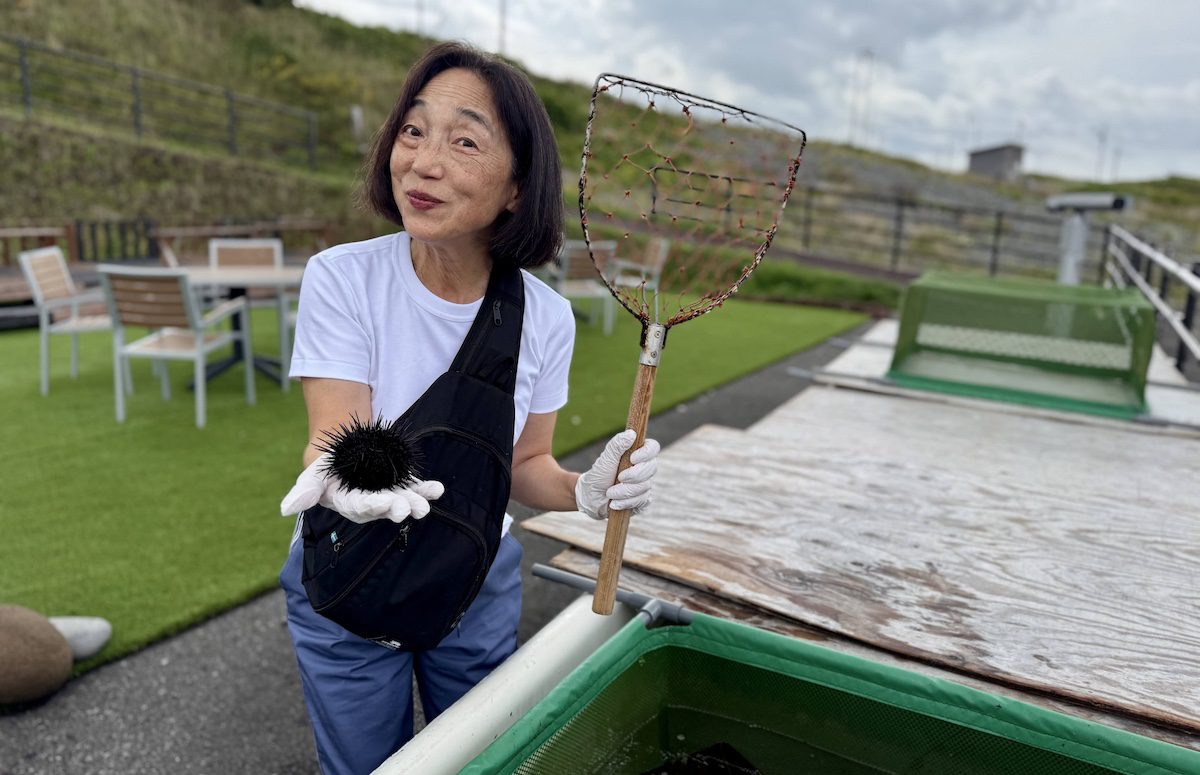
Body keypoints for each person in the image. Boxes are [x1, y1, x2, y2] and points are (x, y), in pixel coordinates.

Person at [277, 42, 660, 774]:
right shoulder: (342, 278)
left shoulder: (544, 318)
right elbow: (331, 431)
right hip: (347, 569)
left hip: (474, 576)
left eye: (464, 141)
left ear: (517, 188)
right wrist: (344, 480)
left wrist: (586, 490)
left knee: (483, 760)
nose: (422, 161)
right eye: (413, 131)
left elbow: (521, 465)